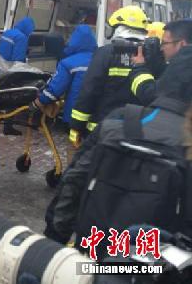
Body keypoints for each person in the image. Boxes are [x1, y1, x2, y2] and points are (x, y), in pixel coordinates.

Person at [44, 44, 192, 247]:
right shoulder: (186, 147)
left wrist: (55, 242)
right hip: (155, 269)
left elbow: (73, 183)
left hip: (94, 257)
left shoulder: (118, 123)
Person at [69, 6, 149, 145]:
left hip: (102, 129)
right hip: (136, 131)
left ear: (116, 29)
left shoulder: (105, 53)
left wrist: (77, 126)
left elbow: (89, 90)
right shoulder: (150, 55)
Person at [35, 25, 97, 126]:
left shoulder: (69, 63)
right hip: (98, 114)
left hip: (76, 114)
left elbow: (55, 90)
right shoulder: (102, 60)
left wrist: (39, 102)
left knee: (75, 139)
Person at [129, 19, 192, 106]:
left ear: (181, 44)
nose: (161, 48)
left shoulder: (183, 65)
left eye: (164, 43)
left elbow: (152, 97)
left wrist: (139, 67)